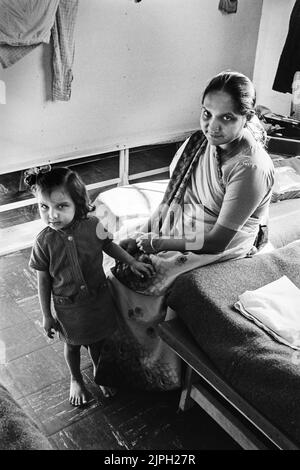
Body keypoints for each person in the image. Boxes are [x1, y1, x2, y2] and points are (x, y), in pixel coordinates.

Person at [95, 70, 275, 391]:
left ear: (246, 118)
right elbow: (175, 193)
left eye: (227, 117)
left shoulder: (249, 168)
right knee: (121, 252)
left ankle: (154, 372)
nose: (212, 126)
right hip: (189, 221)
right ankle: (120, 356)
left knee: (137, 280)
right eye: (207, 113)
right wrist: (147, 233)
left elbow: (219, 240)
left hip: (222, 241)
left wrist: (161, 242)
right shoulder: (200, 142)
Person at [25, 166, 154, 406]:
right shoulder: (44, 242)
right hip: (68, 306)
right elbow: (43, 281)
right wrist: (46, 315)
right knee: (72, 345)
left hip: (98, 300)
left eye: (61, 206)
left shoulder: (93, 224)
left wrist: (132, 261)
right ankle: (75, 379)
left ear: (78, 203)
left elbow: (109, 246)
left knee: (98, 341)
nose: (51, 215)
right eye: (44, 207)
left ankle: (99, 370)